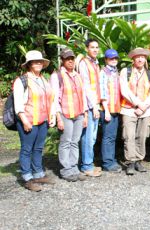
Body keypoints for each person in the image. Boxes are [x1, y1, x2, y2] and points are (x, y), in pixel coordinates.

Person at [14, 50, 56, 191]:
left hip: (42, 120)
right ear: (29, 64)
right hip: (29, 120)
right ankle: (27, 177)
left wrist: (51, 116)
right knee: (27, 149)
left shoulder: (43, 79)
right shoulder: (22, 81)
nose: (38, 63)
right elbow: (18, 104)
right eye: (35, 61)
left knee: (38, 148)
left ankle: (38, 173)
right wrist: (24, 120)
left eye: (40, 61)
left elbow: (50, 99)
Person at [50, 48, 88, 182]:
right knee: (66, 142)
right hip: (65, 114)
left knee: (75, 142)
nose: (70, 61)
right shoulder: (57, 76)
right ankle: (66, 170)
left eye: (72, 58)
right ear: (62, 60)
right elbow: (54, 98)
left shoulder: (77, 75)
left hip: (78, 113)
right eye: (67, 58)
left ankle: (74, 168)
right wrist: (58, 117)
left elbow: (83, 95)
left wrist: (85, 114)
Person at [120, 47, 150, 175]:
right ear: (133, 59)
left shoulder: (149, 74)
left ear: (145, 59)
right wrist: (138, 104)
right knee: (129, 136)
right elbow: (124, 90)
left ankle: (139, 159)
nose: (140, 59)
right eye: (138, 57)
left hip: (144, 111)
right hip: (129, 110)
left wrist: (144, 107)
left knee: (142, 136)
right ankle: (130, 161)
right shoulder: (126, 71)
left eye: (143, 57)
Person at [78, 38, 102, 177]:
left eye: (96, 47)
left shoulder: (96, 63)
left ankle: (88, 163)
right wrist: (93, 106)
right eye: (92, 47)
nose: (95, 50)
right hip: (89, 105)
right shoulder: (83, 63)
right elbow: (86, 86)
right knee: (88, 137)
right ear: (86, 48)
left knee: (92, 137)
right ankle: (87, 166)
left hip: (95, 104)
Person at [99, 49, 122, 172]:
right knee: (108, 137)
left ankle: (111, 160)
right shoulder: (103, 72)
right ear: (106, 60)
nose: (113, 60)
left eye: (115, 58)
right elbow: (102, 92)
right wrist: (106, 110)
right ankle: (107, 163)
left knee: (112, 137)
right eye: (111, 58)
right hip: (107, 110)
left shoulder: (116, 72)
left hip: (116, 109)